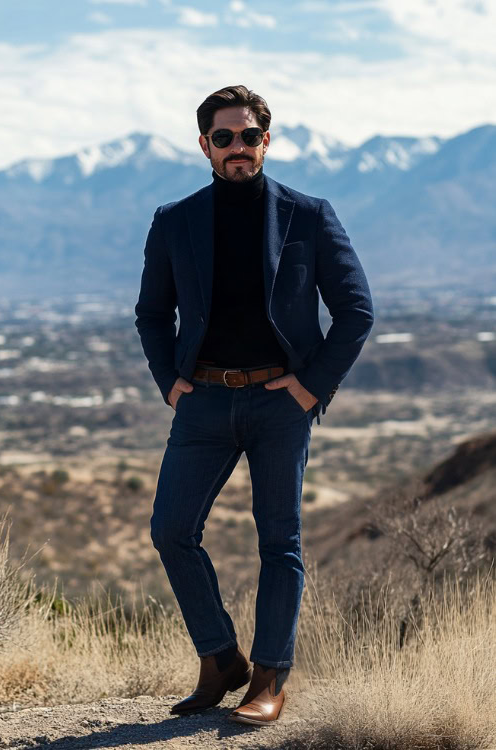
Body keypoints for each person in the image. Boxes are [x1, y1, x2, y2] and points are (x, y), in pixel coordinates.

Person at [134, 84, 374, 725]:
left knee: (280, 543)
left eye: (248, 136)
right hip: (204, 401)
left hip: (280, 401)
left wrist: (308, 389)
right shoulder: (174, 220)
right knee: (171, 531)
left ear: (266, 139)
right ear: (205, 146)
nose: (236, 148)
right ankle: (221, 659)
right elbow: (152, 313)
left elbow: (356, 311)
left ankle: (268, 678)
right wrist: (170, 381)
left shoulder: (310, 215)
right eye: (223, 137)